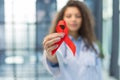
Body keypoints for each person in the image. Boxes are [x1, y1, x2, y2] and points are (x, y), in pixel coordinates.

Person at [42, 1, 102, 80]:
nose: (73, 19)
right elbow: (54, 65)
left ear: (83, 19)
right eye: (68, 16)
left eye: (78, 16)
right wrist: (51, 55)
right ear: (62, 19)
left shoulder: (92, 46)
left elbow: (99, 74)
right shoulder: (57, 43)